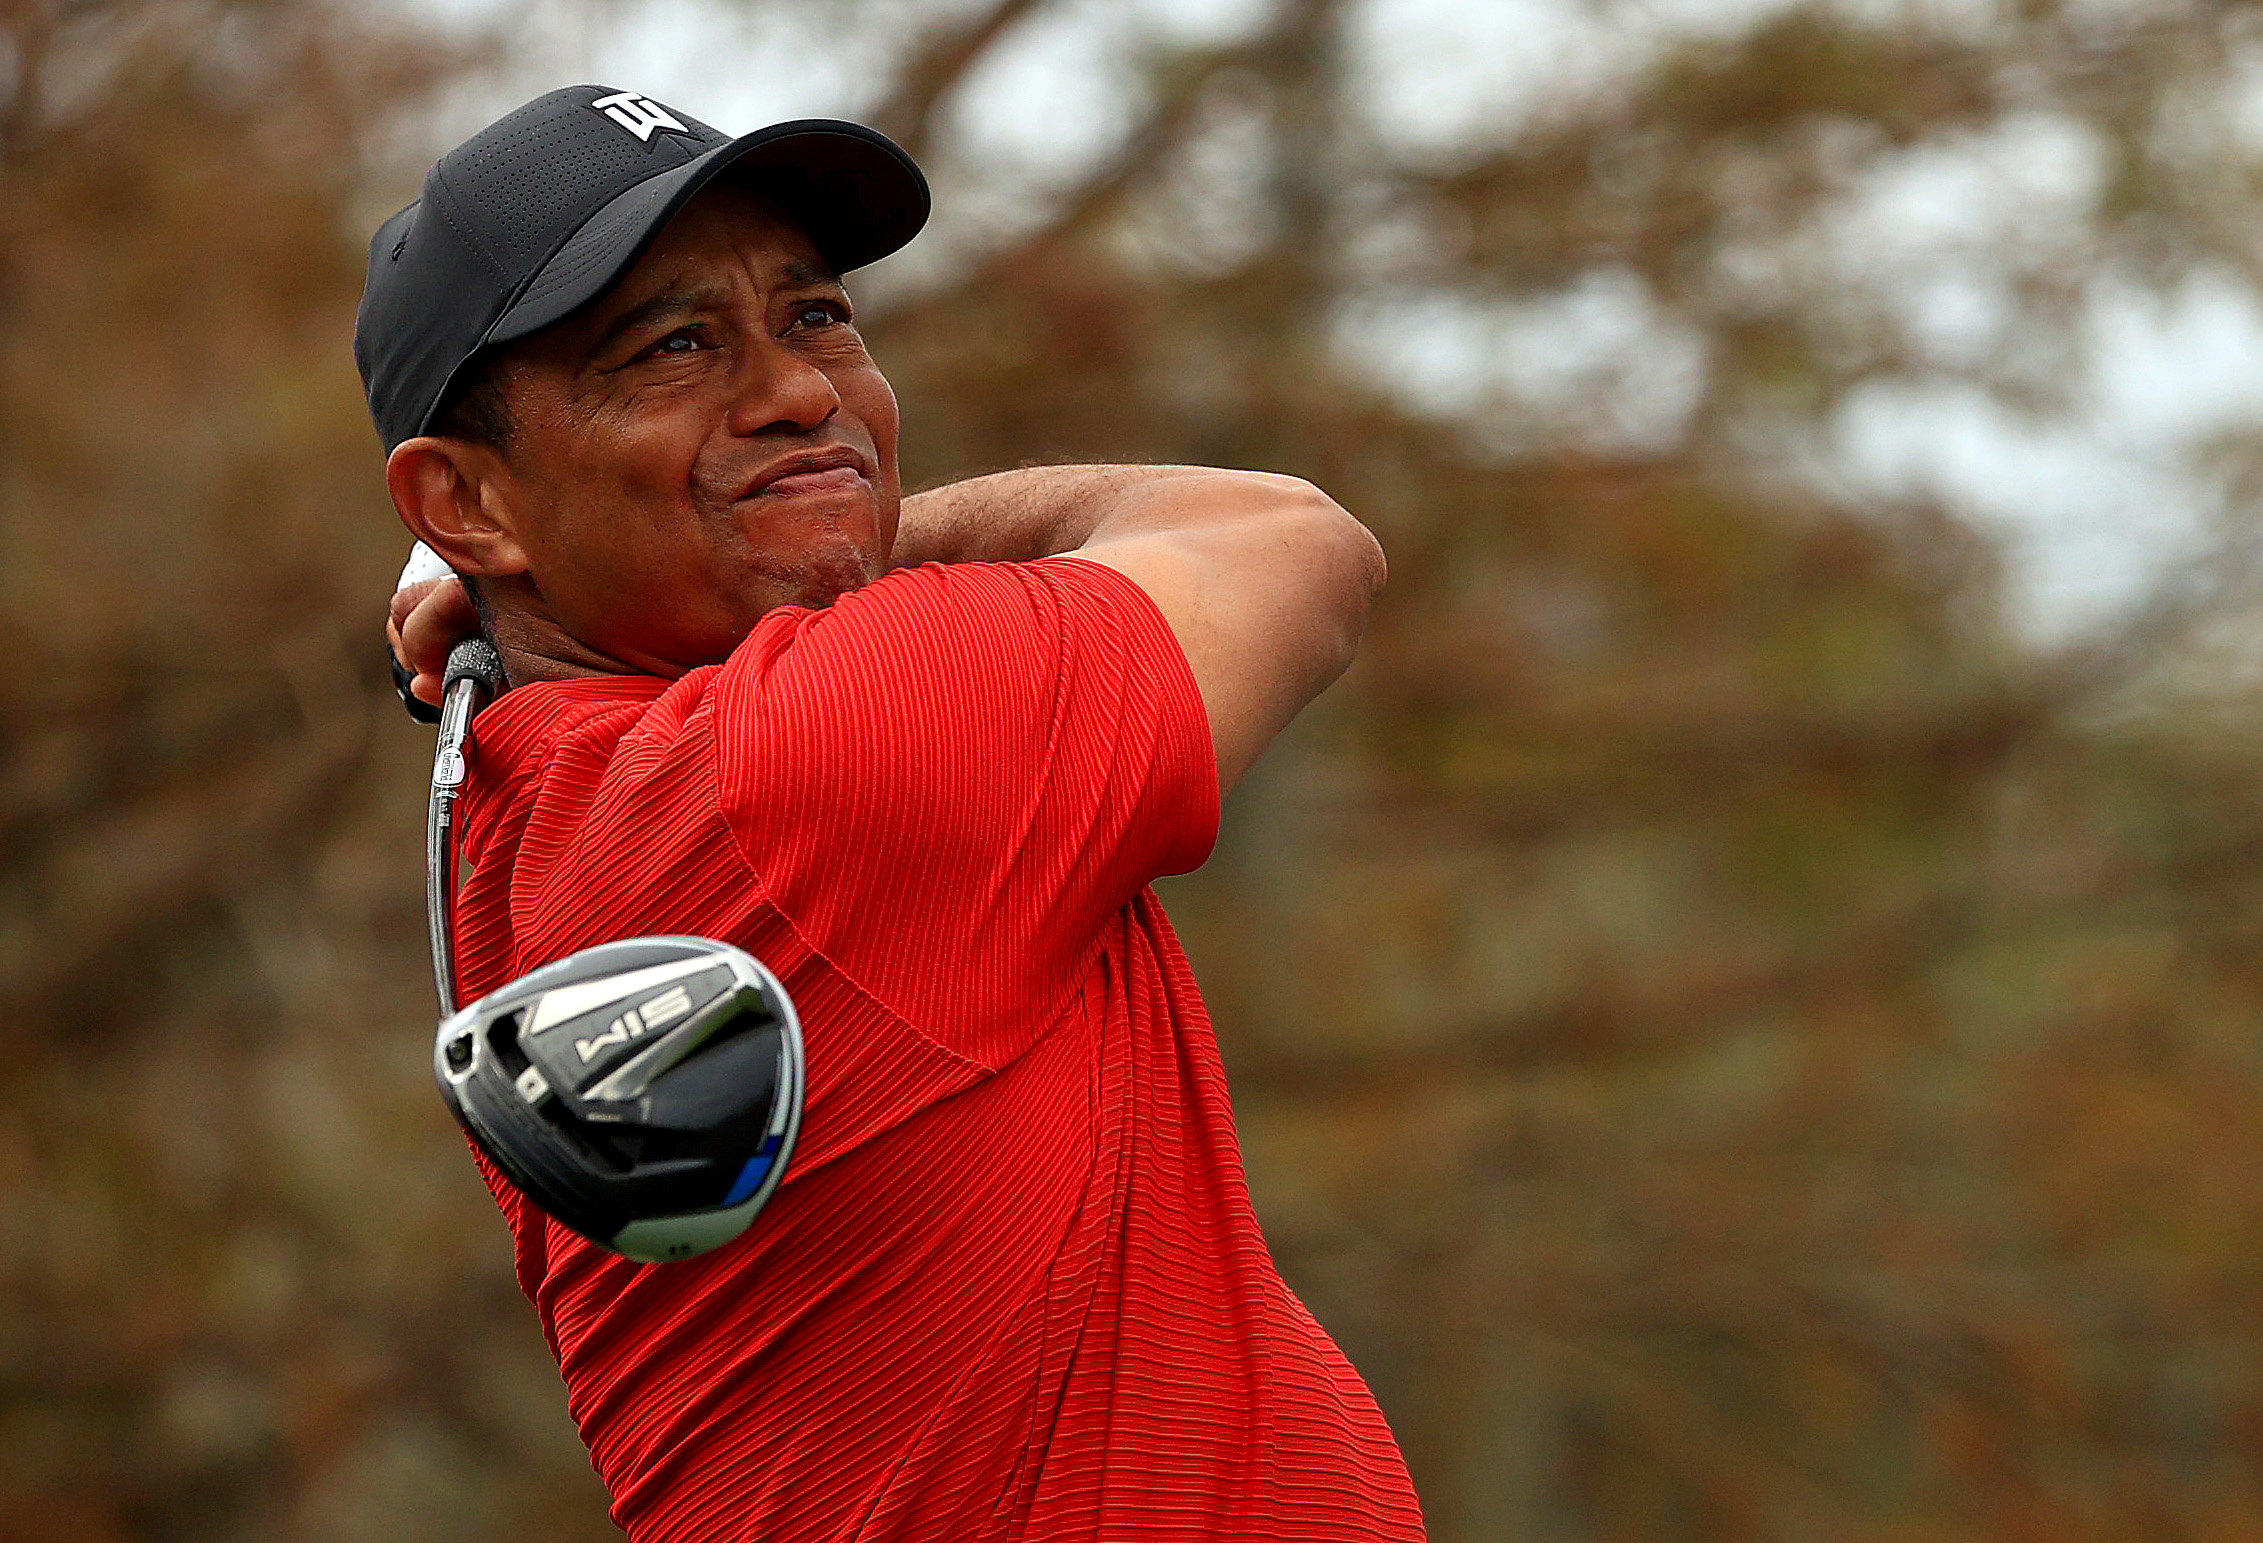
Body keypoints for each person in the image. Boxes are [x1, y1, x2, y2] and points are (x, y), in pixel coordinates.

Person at [366, 84, 1423, 1542]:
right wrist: (828, 510)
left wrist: (778, 512)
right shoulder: (807, 765)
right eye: (673, 347)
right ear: (466, 505)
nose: (801, 390)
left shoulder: (534, 800)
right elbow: (1294, 544)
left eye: (815, 319)